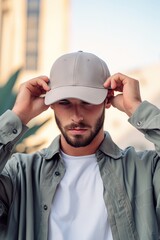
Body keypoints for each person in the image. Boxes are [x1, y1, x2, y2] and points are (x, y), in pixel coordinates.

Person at [0, 51, 160, 240]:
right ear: (50, 103)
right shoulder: (20, 173)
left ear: (107, 99)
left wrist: (137, 108)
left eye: (87, 101)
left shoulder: (146, 170)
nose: (76, 116)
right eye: (65, 102)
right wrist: (18, 115)